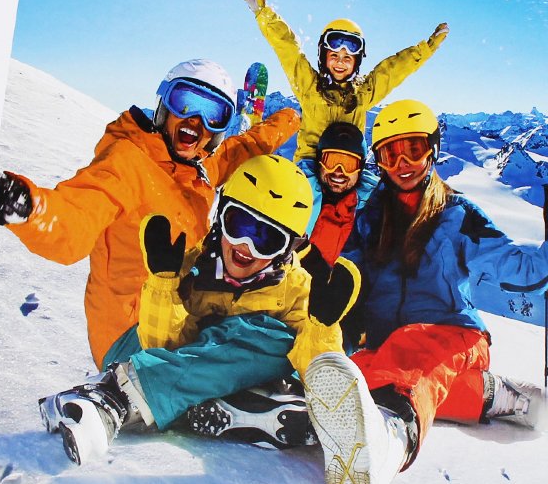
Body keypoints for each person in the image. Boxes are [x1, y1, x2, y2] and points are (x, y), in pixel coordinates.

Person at [301, 98, 548, 484]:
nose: (402, 164)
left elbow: (526, 272)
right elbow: (349, 280)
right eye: (390, 154)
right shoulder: (369, 219)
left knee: (407, 353)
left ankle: (390, 442)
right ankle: (494, 396)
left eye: (414, 149)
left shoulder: (458, 216)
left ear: (433, 149)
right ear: (379, 162)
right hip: (391, 348)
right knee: (357, 374)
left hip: (455, 335)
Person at [38, 155, 360, 466]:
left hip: (197, 374)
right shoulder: (192, 267)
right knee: (268, 338)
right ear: (221, 217)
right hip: (146, 357)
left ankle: (180, 403)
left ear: (288, 249)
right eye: (239, 224)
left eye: (266, 239)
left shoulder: (297, 290)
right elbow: (162, 347)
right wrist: (164, 284)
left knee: (279, 340)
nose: (245, 245)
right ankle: (122, 396)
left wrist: (321, 326)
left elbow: (317, 373)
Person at [0, 59, 300, 369]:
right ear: (164, 106)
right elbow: (74, 218)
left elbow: (245, 147)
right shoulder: (128, 163)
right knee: (258, 345)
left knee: (274, 323)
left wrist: (292, 117)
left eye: (213, 114)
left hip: (178, 316)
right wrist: (26, 206)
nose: (196, 121)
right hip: (130, 334)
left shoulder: (198, 167)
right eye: (185, 102)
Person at [237, 0, 447, 213]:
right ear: (323, 56)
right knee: (308, 201)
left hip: (351, 168)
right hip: (312, 166)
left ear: (356, 63)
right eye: (334, 55)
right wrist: (263, 12)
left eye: (348, 58)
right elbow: (288, 49)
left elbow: (392, 70)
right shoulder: (309, 87)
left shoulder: (363, 93)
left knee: (378, 200)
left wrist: (425, 49)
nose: (340, 62)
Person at [306, 121, 366, 264]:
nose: (338, 172)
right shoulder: (297, 194)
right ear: (319, 162)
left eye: (349, 165)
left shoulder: (374, 206)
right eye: (331, 161)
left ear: (360, 169)